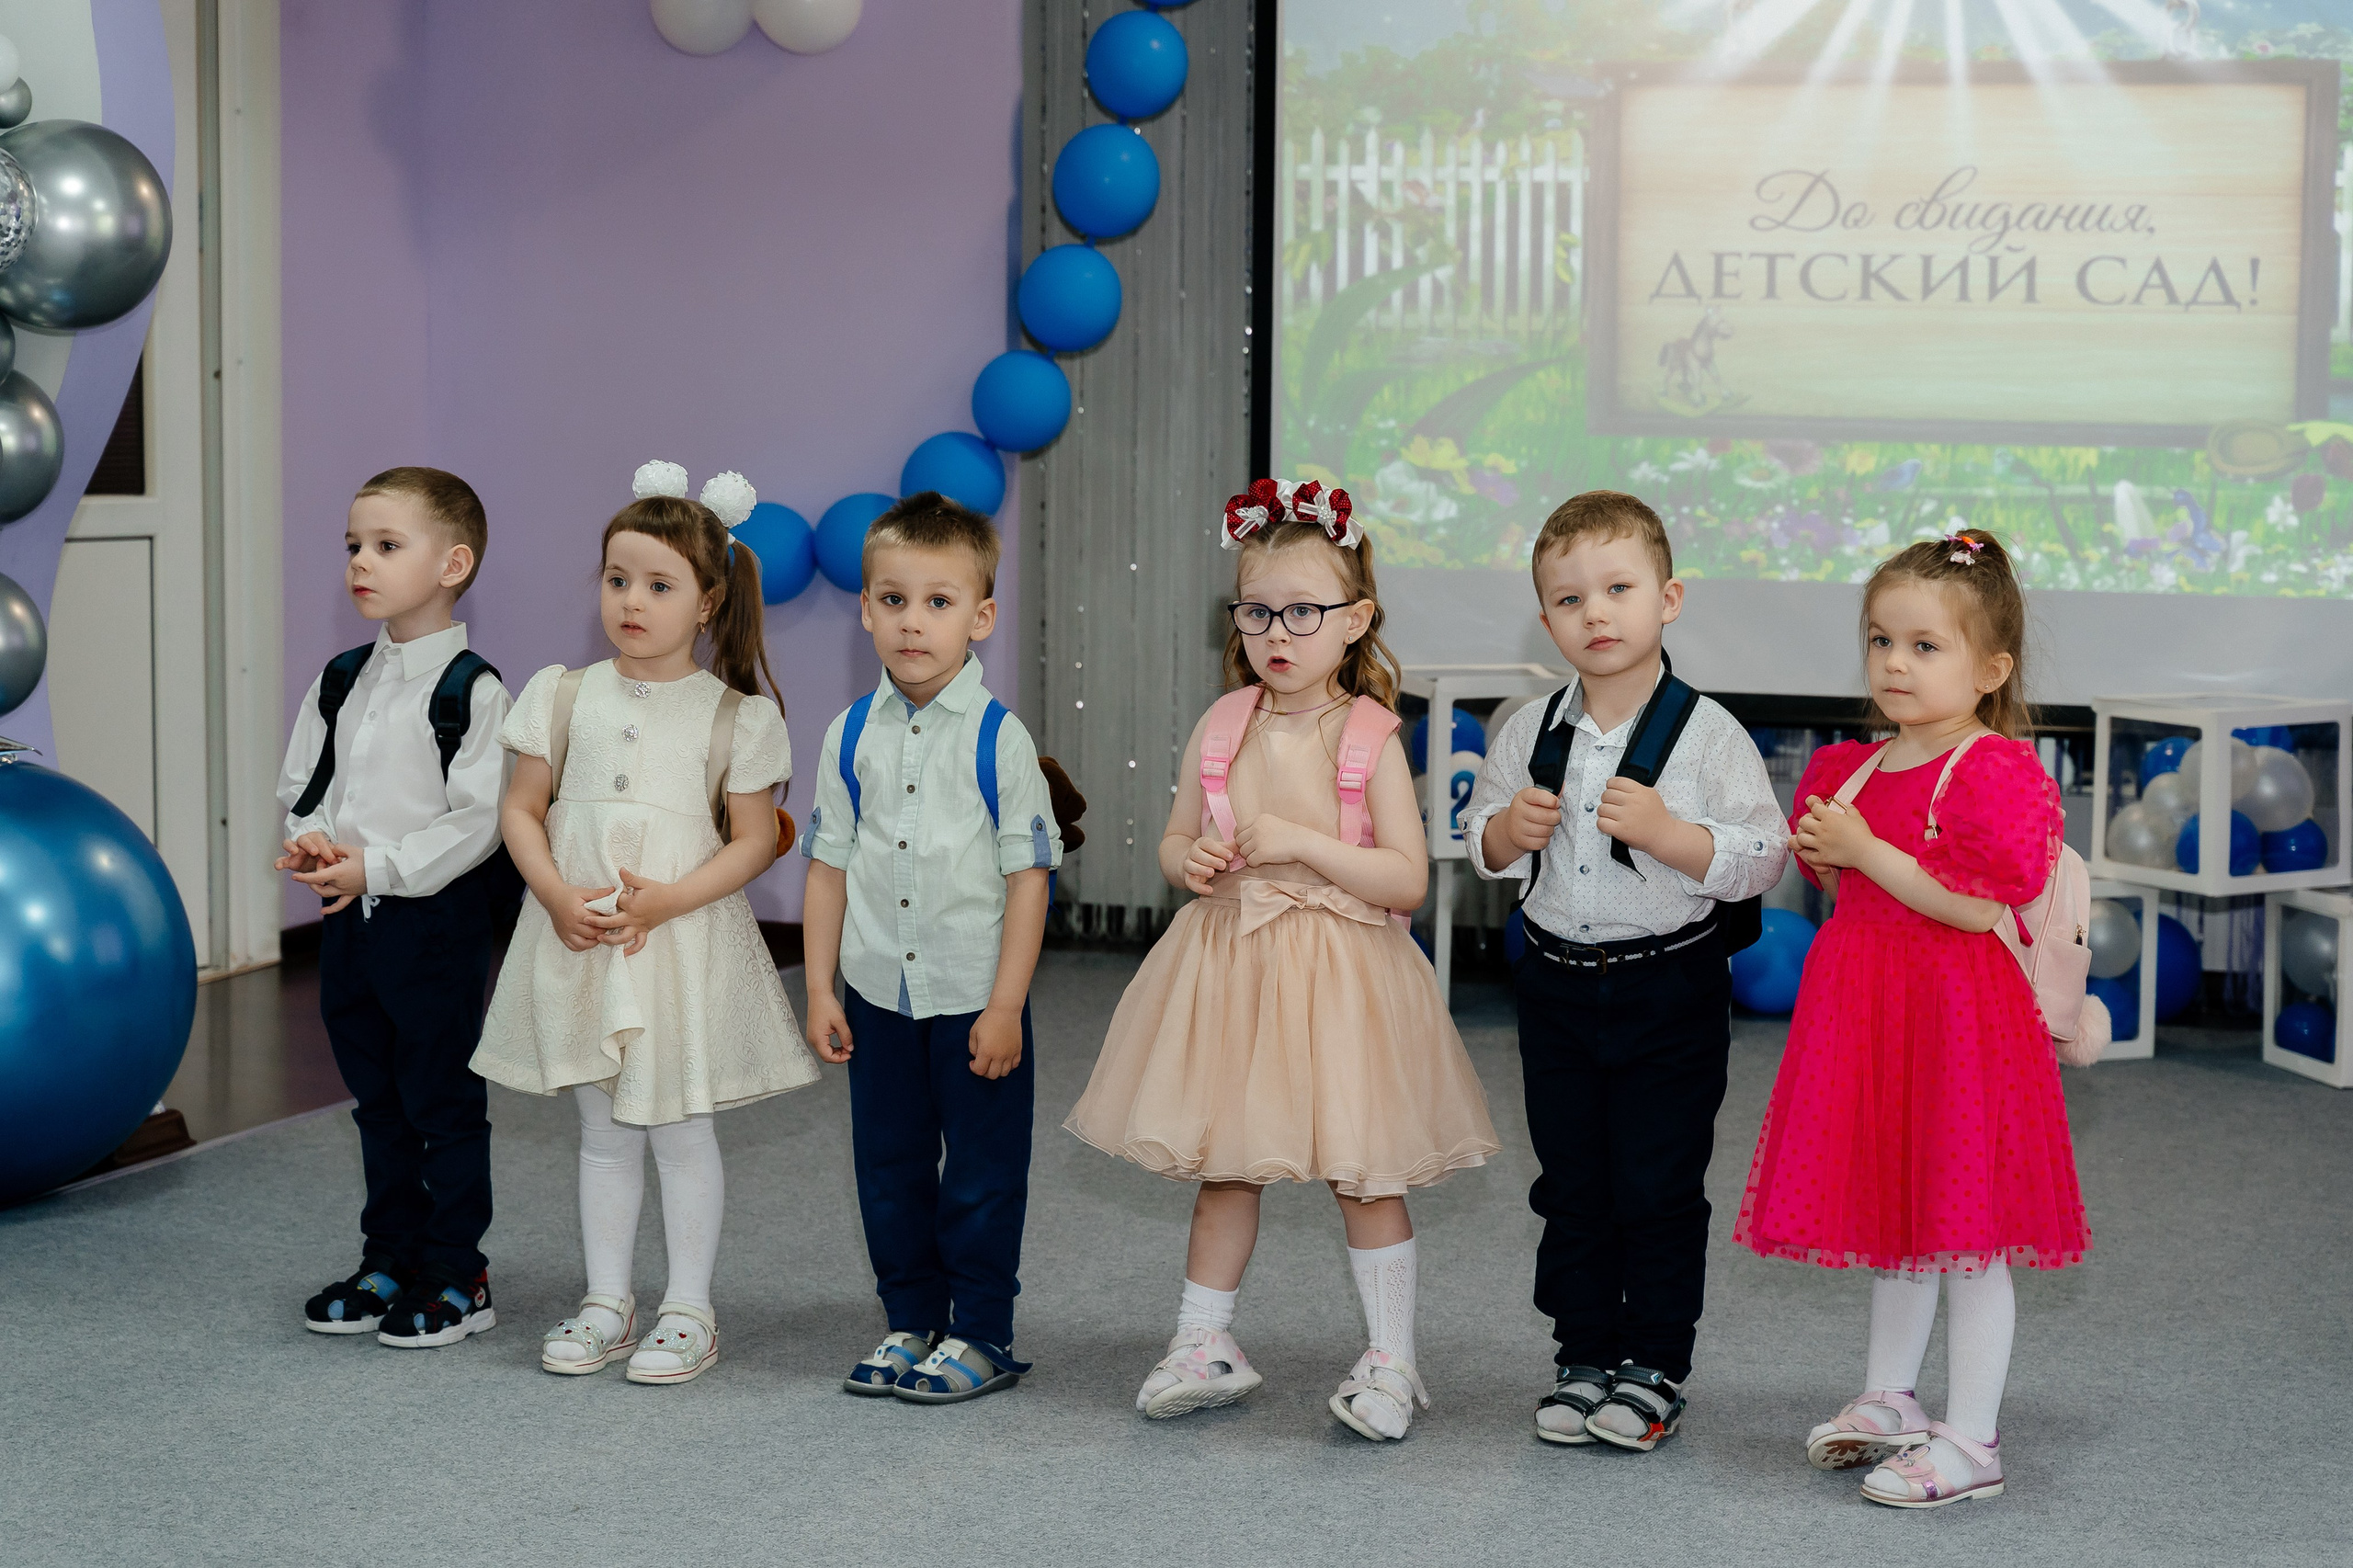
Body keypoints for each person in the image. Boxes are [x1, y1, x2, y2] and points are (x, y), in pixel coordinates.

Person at [1067, 478, 1499, 1442]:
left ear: (1354, 620)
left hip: (1344, 972)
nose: (1278, 631)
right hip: (1235, 966)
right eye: (1257, 609)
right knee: (1228, 1163)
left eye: (1303, 611)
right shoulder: (1223, 723)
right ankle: (1203, 1339)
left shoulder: (1372, 733)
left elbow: (1403, 878)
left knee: (1364, 1171)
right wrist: (1199, 859)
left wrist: (1303, 842)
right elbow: (1177, 843)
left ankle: (1391, 1358)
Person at [1735, 527, 2088, 1507]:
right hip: (1869, 1017)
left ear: (1990, 667)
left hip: (1960, 1023)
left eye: (1924, 646)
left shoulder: (1993, 771)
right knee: (1898, 1217)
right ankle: (1889, 1396)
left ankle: (1972, 1439)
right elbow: (1833, 879)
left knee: (1968, 1233)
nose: (1895, 662)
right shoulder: (1846, 769)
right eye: (1881, 640)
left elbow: (1980, 903)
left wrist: (1866, 851)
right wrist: (1831, 845)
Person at [471, 461, 817, 1386]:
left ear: (707, 601)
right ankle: (606, 1299)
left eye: (659, 584)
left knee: (678, 1128)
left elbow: (752, 841)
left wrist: (668, 898)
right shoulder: (562, 693)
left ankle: (689, 1308)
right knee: (601, 1128)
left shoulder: (737, 717)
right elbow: (520, 809)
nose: (631, 599)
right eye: (618, 578)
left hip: (676, 944)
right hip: (580, 935)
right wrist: (550, 892)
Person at [1460, 490, 1786, 1450]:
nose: (1594, 613)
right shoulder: (1525, 729)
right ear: (1546, 615)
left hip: (1668, 987)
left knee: (1655, 1180)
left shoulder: (1710, 733)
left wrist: (1675, 837)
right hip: (1555, 987)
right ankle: (1582, 1353)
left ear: (1667, 598)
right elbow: (1481, 845)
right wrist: (1498, 836)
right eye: (1567, 599)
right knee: (1570, 1181)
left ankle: (1653, 1363)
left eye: (1616, 588)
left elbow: (1764, 853)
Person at [801, 491, 1061, 1404]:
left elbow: (1030, 878)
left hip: (972, 995)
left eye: (939, 601)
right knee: (889, 1167)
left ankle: (981, 1330)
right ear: (866, 607)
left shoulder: (1000, 740)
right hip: (877, 991)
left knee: (982, 1176)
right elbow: (828, 866)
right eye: (894, 598)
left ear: (980, 615)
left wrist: (1003, 1004)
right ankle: (909, 1317)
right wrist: (823, 987)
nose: (914, 621)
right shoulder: (847, 734)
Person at [278, 466, 515, 1347]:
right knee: (375, 1100)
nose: (360, 563)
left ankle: (458, 1272)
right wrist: (312, 841)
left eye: (385, 545)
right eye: (352, 546)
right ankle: (389, 1258)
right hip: (349, 925)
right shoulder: (341, 680)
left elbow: (478, 823)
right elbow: (308, 786)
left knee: (441, 1103)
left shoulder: (474, 692)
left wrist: (373, 867)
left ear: (453, 563)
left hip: (434, 928)